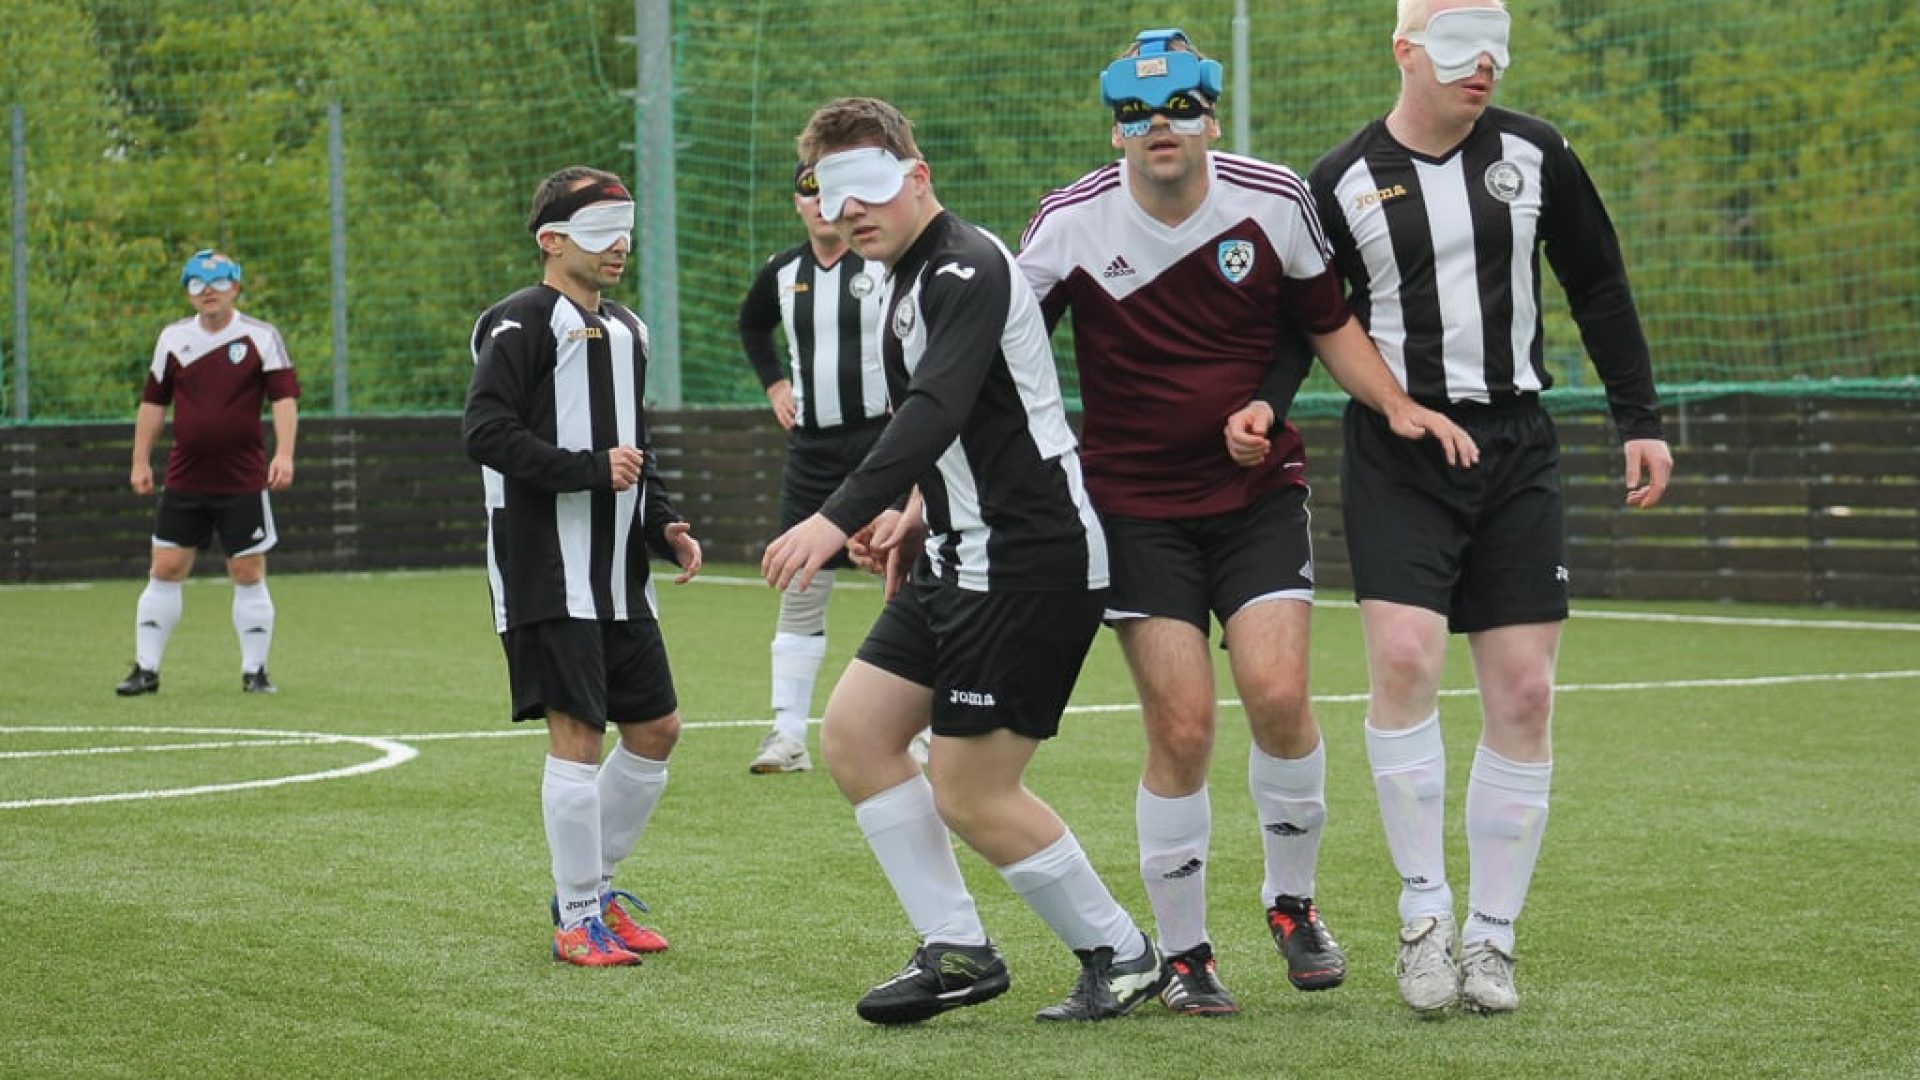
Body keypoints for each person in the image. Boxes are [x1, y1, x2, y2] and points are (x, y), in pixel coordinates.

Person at [1017, 29, 1478, 1016]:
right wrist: (925, 487)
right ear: (1115, 129)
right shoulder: (1068, 223)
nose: (1159, 126)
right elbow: (1003, 358)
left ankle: (1291, 903)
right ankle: (1185, 958)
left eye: (1180, 107)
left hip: (1257, 498)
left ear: (1211, 118)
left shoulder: (1273, 200)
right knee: (1182, 728)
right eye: (1136, 113)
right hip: (1133, 508)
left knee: (1277, 695)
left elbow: (1318, 324)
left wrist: (1376, 407)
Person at [1303, 0, 1674, 1014]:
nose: (1485, 68)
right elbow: (1310, 316)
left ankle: (1491, 938)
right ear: (1406, 51)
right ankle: (1424, 918)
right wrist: (1257, 404)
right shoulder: (1339, 179)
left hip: (1516, 448)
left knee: (1525, 693)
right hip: (1397, 452)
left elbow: (1599, 285)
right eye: (1463, 48)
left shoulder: (1537, 153)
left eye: (1497, 50)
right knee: (1405, 661)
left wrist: (1640, 418)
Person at [762, 96, 1166, 1024]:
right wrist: (911, 511)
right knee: (857, 736)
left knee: (972, 791)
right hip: (956, 556)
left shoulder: (965, 266)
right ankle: (958, 950)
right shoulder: (899, 277)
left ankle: (1123, 954)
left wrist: (834, 516)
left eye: (868, 187)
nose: (847, 211)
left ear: (918, 176)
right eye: (829, 193)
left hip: (1028, 562)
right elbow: (968, 426)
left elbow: (935, 410)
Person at [464, 166, 704, 968]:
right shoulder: (517, 322)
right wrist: (587, 470)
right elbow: (485, 432)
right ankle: (575, 918)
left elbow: (636, 446)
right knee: (578, 736)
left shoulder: (631, 330)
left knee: (657, 729)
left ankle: (594, 889)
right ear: (551, 240)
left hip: (618, 576)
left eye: (625, 230)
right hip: (545, 568)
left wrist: (664, 524)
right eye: (601, 232)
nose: (619, 246)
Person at [738, 161, 891, 775]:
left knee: (903, 576)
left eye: (831, 191)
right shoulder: (783, 271)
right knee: (801, 580)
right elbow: (752, 325)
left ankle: (922, 728)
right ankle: (787, 735)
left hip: (883, 442)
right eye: (810, 191)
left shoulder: (881, 264)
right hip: (812, 451)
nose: (822, 203)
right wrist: (775, 385)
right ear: (798, 203)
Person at [119, 249, 299, 697]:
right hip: (185, 477)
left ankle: (255, 672)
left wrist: (284, 454)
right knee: (165, 567)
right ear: (188, 292)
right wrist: (140, 459)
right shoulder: (172, 339)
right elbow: (153, 403)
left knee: (247, 570)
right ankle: (146, 669)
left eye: (218, 283)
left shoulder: (261, 337)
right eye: (197, 284)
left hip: (243, 479)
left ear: (235, 287)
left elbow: (284, 399)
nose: (208, 292)